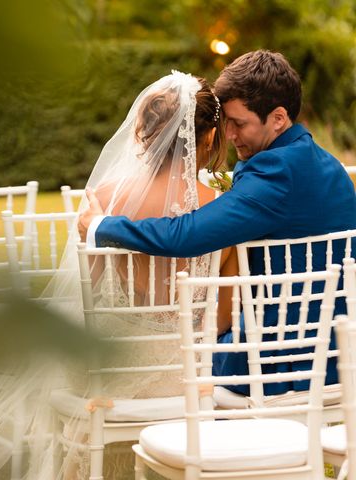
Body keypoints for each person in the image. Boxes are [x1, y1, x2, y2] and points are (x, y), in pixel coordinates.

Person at [0, 71, 233, 480]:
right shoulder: (225, 209)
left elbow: (89, 293)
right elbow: (223, 316)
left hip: (113, 374)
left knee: (51, 381)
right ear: (208, 137)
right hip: (184, 382)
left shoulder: (105, 200)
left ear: (143, 133)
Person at [79, 49, 356, 396]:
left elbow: (186, 233)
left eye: (239, 123)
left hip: (275, 363)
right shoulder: (327, 166)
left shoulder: (275, 174)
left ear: (278, 118)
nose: (229, 134)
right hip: (337, 354)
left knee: (183, 360)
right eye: (225, 121)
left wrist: (101, 226)